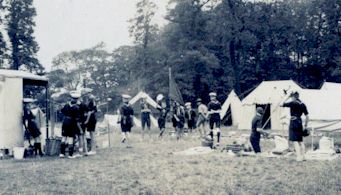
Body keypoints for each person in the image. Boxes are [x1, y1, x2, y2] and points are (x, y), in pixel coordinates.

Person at [281, 91, 309, 161]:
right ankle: (304, 156)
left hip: (293, 121)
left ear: (293, 97)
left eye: (291, 97)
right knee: (300, 141)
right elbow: (307, 116)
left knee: (295, 140)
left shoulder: (293, 103)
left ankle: (299, 157)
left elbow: (281, 104)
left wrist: (287, 96)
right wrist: (305, 125)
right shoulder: (303, 104)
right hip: (300, 122)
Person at [60, 91, 82, 159]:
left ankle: (62, 153)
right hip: (71, 123)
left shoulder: (66, 105)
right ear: (77, 99)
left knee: (63, 137)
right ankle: (70, 155)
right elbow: (77, 120)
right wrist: (80, 129)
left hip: (65, 122)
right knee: (70, 138)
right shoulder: (76, 108)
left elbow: (62, 111)